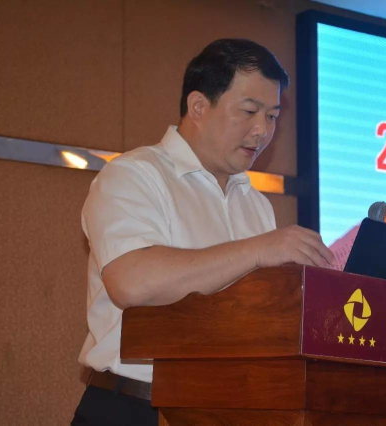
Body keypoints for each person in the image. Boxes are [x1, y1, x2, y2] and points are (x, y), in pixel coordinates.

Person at [71, 39, 336, 425]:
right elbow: (132, 282)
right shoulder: (134, 175)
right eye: (250, 111)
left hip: (225, 411)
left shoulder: (255, 204)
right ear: (198, 106)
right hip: (134, 407)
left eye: (273, 116)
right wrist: (257, 250)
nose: (263, 130)